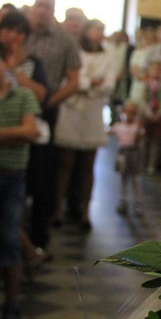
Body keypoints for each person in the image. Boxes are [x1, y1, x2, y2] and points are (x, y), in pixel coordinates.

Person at [0, 39, 42, 319]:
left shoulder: (23, 97)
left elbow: (32, 131)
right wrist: (16, 133)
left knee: (9, 241)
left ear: (6, 61)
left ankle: (11, 304)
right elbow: (23, 132)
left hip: (12, 177)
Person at [25, 0, 81, 251]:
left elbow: (73, 81)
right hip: (15, 107)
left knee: (41, 174)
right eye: (39, 6)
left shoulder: (64, 40)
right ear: (33, 8)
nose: (43, 11)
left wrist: (50, 101)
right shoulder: (20, 33)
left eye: (48, 7)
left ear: (54, 11)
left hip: (45, 108)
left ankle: (38, 235)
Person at [52, 19, 115, 231]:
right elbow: (73, 80)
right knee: (64, 164)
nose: (100, 33)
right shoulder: (75, 51)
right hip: (71, 110)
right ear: (87, 31)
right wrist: (88, 83)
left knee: (88, 166)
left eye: (102, 29)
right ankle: (58, 210)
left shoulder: (107, 56)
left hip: (93, 113)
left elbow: (108, 84)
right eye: (96, 29)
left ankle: (85, 211)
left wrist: (86, 85)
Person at [111, 101, 144, 217]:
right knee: (123, 178)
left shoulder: (136, 126)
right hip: (123, 154)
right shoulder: (119, 126)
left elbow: (137, 139)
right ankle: (123, 201)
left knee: (135, 179)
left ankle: (137, 203)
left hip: (133, 153)